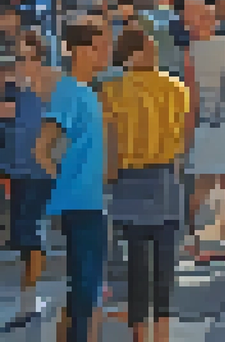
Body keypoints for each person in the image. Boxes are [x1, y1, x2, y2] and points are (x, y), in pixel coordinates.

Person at [101, 27, 189, 342]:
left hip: (128, 182)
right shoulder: (176, 88)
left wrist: (108, 176)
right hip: (165, 178)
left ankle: (139, 332)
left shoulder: (110, 92)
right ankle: (162, 333)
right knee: (165, 263)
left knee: (136, 264)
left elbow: (109, 143)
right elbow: (183, 139)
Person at [35, 21, 110, 342]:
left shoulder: (87, 91)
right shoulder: (69, 92)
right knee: (84, 284)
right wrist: (66, 180)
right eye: (98, 46)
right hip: (81, 202)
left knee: (88, 285)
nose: (105, 53)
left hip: (91, 199)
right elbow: (42, 148)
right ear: (80, 51)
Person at [182, 0, 225, 264]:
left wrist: (190, 132)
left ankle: (195, 240)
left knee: (202, 184)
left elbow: (193, 97)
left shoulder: (190, 52)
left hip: (205, 124)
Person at [3, 30, 54, 320]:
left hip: (38, 167)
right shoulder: (13, 83)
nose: (19, 61)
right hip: (17, 166)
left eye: (24, 56)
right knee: (23, 234)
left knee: (33, 232)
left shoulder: (48, 82)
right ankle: (28, 296)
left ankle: (29, 298)